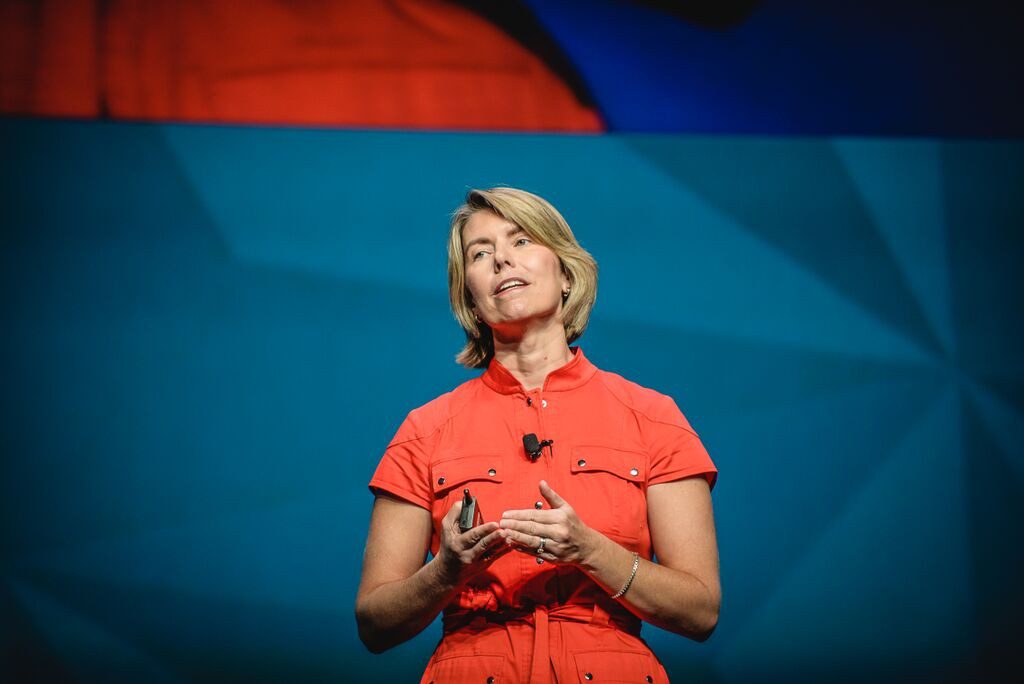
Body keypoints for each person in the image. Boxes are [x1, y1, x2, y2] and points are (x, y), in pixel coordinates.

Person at [356, 187, 720, 683]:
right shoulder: (425, 431)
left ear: (566, 275)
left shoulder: (653, 418)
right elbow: (374, 624)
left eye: (521, 241)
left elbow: (700, 611)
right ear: (470, 298)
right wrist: (446, 571)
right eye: (480, 254)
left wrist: (591, 551)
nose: (501, 259)